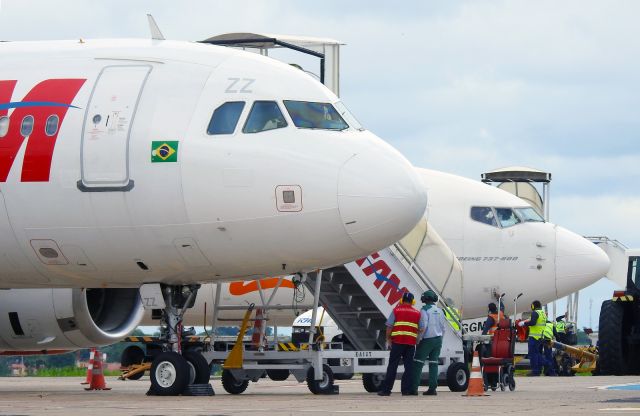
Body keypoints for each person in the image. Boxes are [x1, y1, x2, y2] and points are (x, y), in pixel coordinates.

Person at [378, 292, 422, 396]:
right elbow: (421, 329)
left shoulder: (396, 310)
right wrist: (417, 340)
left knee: (392, 366)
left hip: (397, 342)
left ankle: (386, 390)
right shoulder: (417, 313)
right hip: (410, 344)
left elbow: (389, 326)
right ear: (412, 302)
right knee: (409, 367)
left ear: (402, 300)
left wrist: (388, 339)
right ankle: (405, 390)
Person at [411, 290, 446, 396]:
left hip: (427, 340)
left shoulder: (424, 310)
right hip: (438, 339)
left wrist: (418, 339)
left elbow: (423, 326)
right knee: (433, 363)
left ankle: (413, 389)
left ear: (425, 299)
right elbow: (443, 328)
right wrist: (440, 339)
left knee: (418, 363)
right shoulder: (440, 311)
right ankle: (432, 388)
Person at [517, 300, 547, 376]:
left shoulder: (535, 313)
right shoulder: (542, 313)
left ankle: (535, 371)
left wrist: (523, 323)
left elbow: (533, 322)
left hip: (534, 337)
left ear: (533, 306)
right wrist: (524, 321)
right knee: (538, 354)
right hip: (540, 336)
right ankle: (539, 370)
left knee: (533, 354)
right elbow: (531, 319)